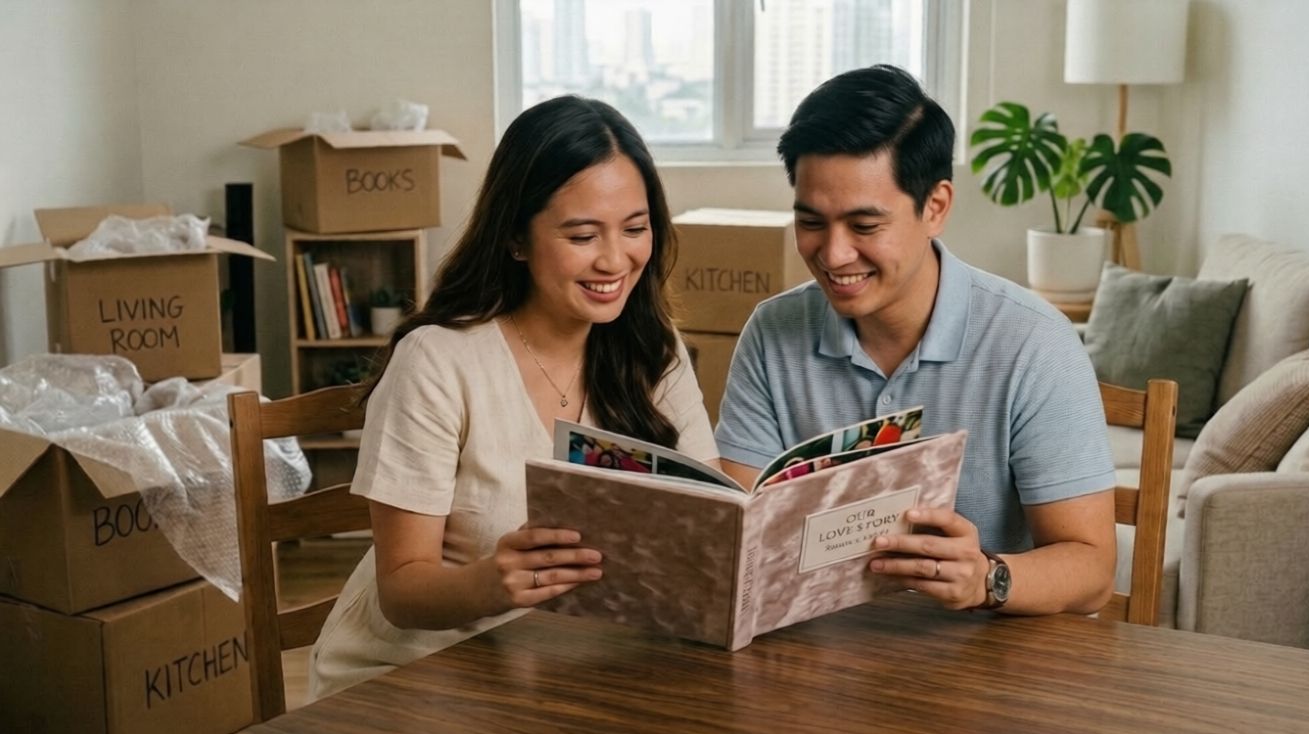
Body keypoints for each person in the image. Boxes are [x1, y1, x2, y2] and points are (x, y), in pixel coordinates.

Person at [310, 96, 718, 698]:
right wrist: (491, 583)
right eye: (582, 235)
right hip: (416, 678)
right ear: (517, 240)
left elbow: (708, 514)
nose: (616, 259)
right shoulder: (438, 360)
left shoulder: (652, 350)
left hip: (570, 668)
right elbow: (401, 591)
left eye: (635, 229)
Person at [715, 65, 1116, 616]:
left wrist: (987, 579)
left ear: (936, 207)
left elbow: (1093, 571)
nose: (833, 256)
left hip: (984, 662)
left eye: (864, 226)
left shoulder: (1033, 343)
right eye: (811, 221)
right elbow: (741, 531)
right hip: (814, 653)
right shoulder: (772, 333)